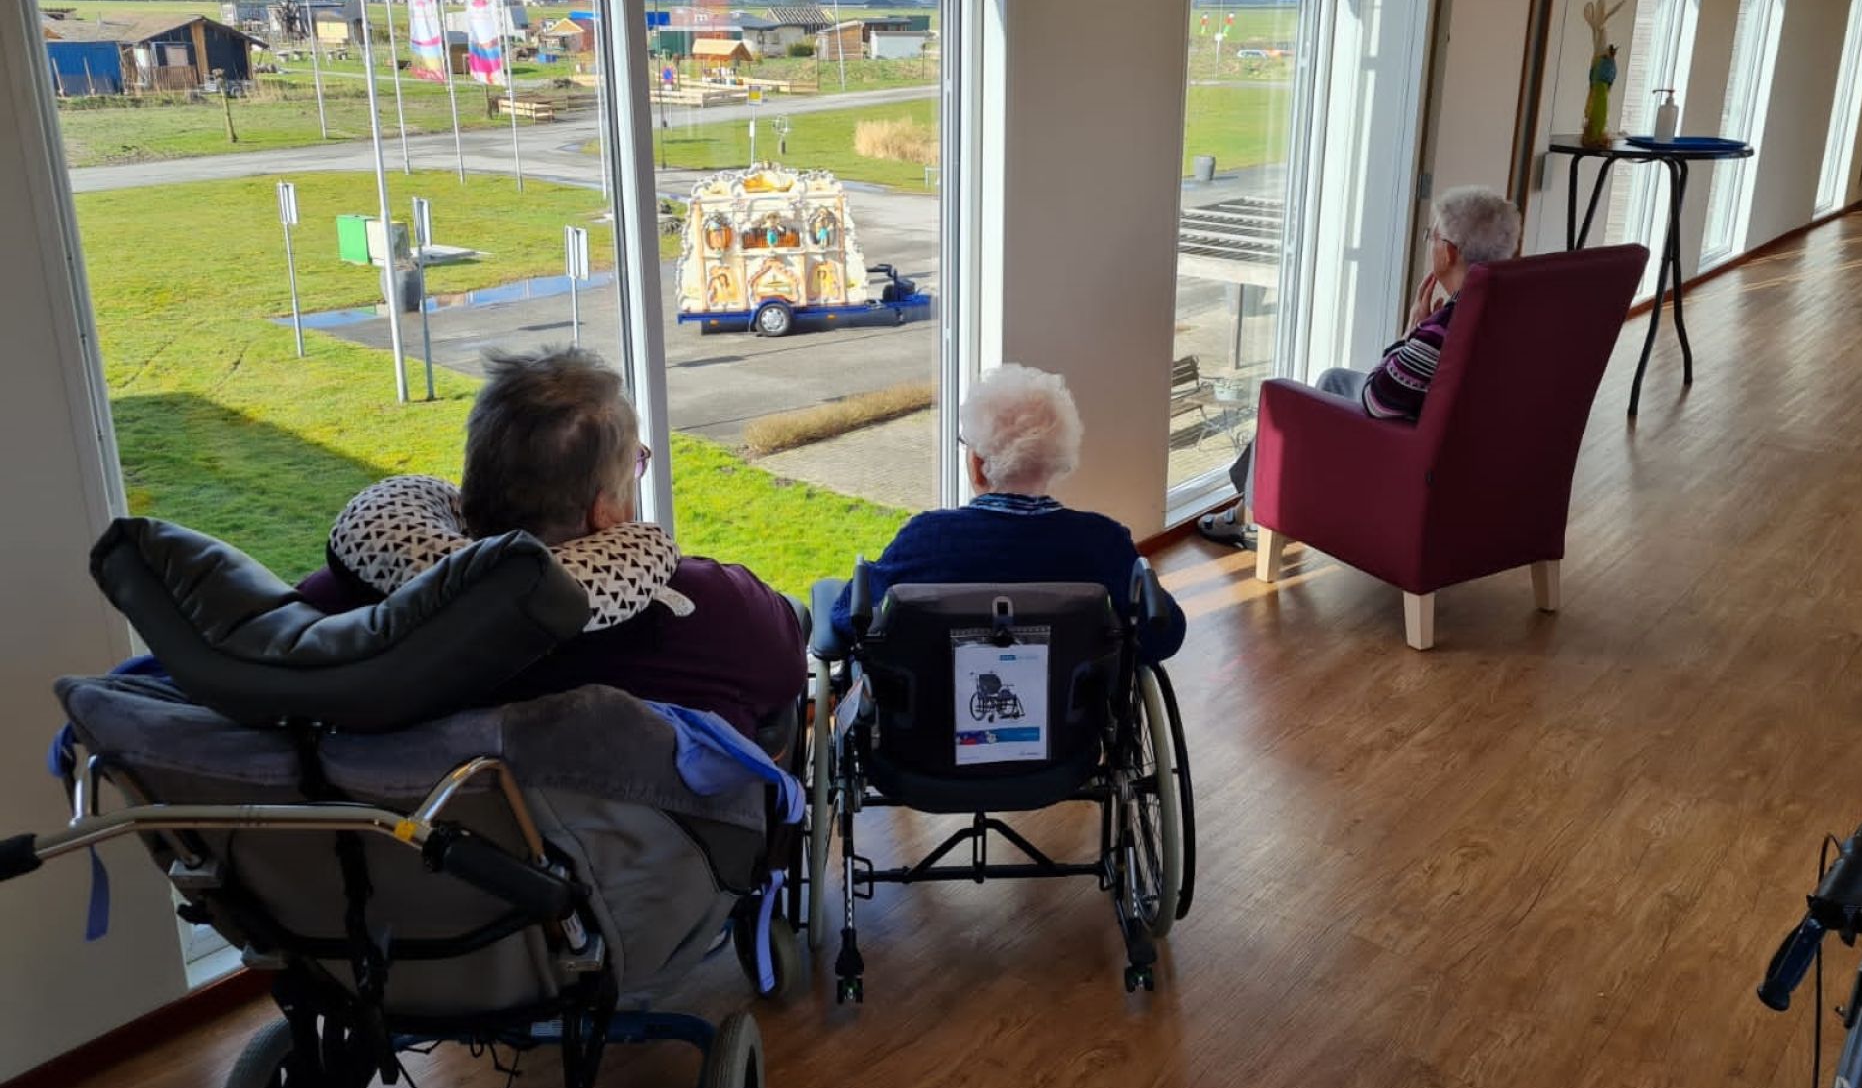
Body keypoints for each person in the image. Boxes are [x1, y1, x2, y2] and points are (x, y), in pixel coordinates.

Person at [297, 348, 805, 739]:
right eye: (636, 463)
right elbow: (786, 672)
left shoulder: (339, 617)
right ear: (603, 511)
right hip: (631, 848)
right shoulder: (712, 611)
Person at [1199, 185, 1522, 547]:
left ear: (1447, 253)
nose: (1429, 244)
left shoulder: (1446, 328)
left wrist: (1411, 332)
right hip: (1477, 463)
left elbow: (1378, 400)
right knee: (1333, 381)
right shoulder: (1511, 310)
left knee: (1285, 401)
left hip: (1418, 462)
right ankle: (1254, 506)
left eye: (1431, 236)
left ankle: (1258, 518)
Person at [827, 364, 1185, 660]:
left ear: (977, 464)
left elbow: (849, 620)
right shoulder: (1101, 541)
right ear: (1056, 461)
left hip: (930, 722)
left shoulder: (926, 539)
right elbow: (1164, 635)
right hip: (1072, 722)